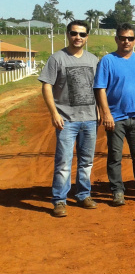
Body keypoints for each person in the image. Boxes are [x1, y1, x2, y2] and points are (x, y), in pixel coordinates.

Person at [94, 23, 135, 206]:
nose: (126, 41)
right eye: (122, 38)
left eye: (130, 38)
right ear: (116, 39)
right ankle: (117, 191)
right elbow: (100, 88)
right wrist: (106, 113)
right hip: (115, 118)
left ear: (134, 40)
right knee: (115, 156)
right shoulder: (108, 60)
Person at [39, 20, 99, 217]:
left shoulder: (93, 60)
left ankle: (83, 195)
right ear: (68, 34)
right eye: (74, 33)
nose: (78, 37)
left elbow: (99, 88)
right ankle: (59, 200)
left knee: (86, 161)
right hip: (67, 119)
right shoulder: (57, 59)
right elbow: (46, 85)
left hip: (90, 119)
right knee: (64, 161)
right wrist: (54, 113)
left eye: (82, 34)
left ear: (87, 37)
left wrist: (100, 110)